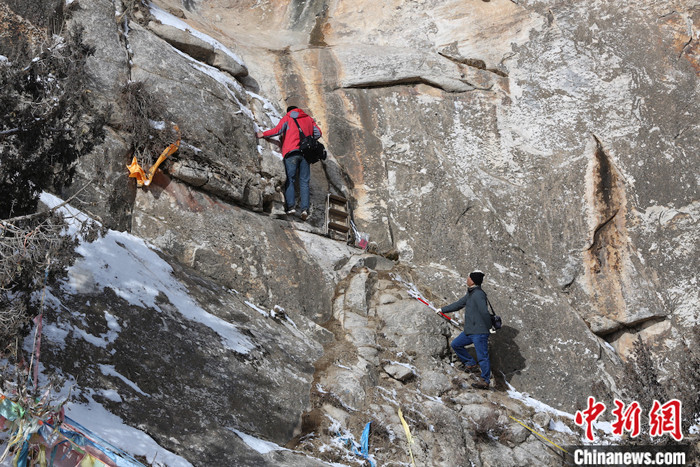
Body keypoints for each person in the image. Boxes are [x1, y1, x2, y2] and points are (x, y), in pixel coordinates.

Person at [256, 106, 322, 221]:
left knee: (290, 179)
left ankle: (291, 207)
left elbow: (277, 130)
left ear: (289, 111)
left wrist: (263, 134)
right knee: (304, 182)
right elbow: (318, 133)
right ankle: (305, 209)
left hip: (291, 152)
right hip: (305, 154)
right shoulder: (308, 119)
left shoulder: (288, 117)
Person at [437, 270, 492, 389]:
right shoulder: (471, 293)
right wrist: (443, 309)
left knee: (482, 356)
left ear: (472, 280)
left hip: (480, 331)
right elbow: (459, 304)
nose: (467, 279)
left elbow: (484, 312)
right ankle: (471, 364)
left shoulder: (478, 294)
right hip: (470, 331)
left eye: (468, 277)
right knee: (456, 344)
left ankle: (485, 380)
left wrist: (489, 326)